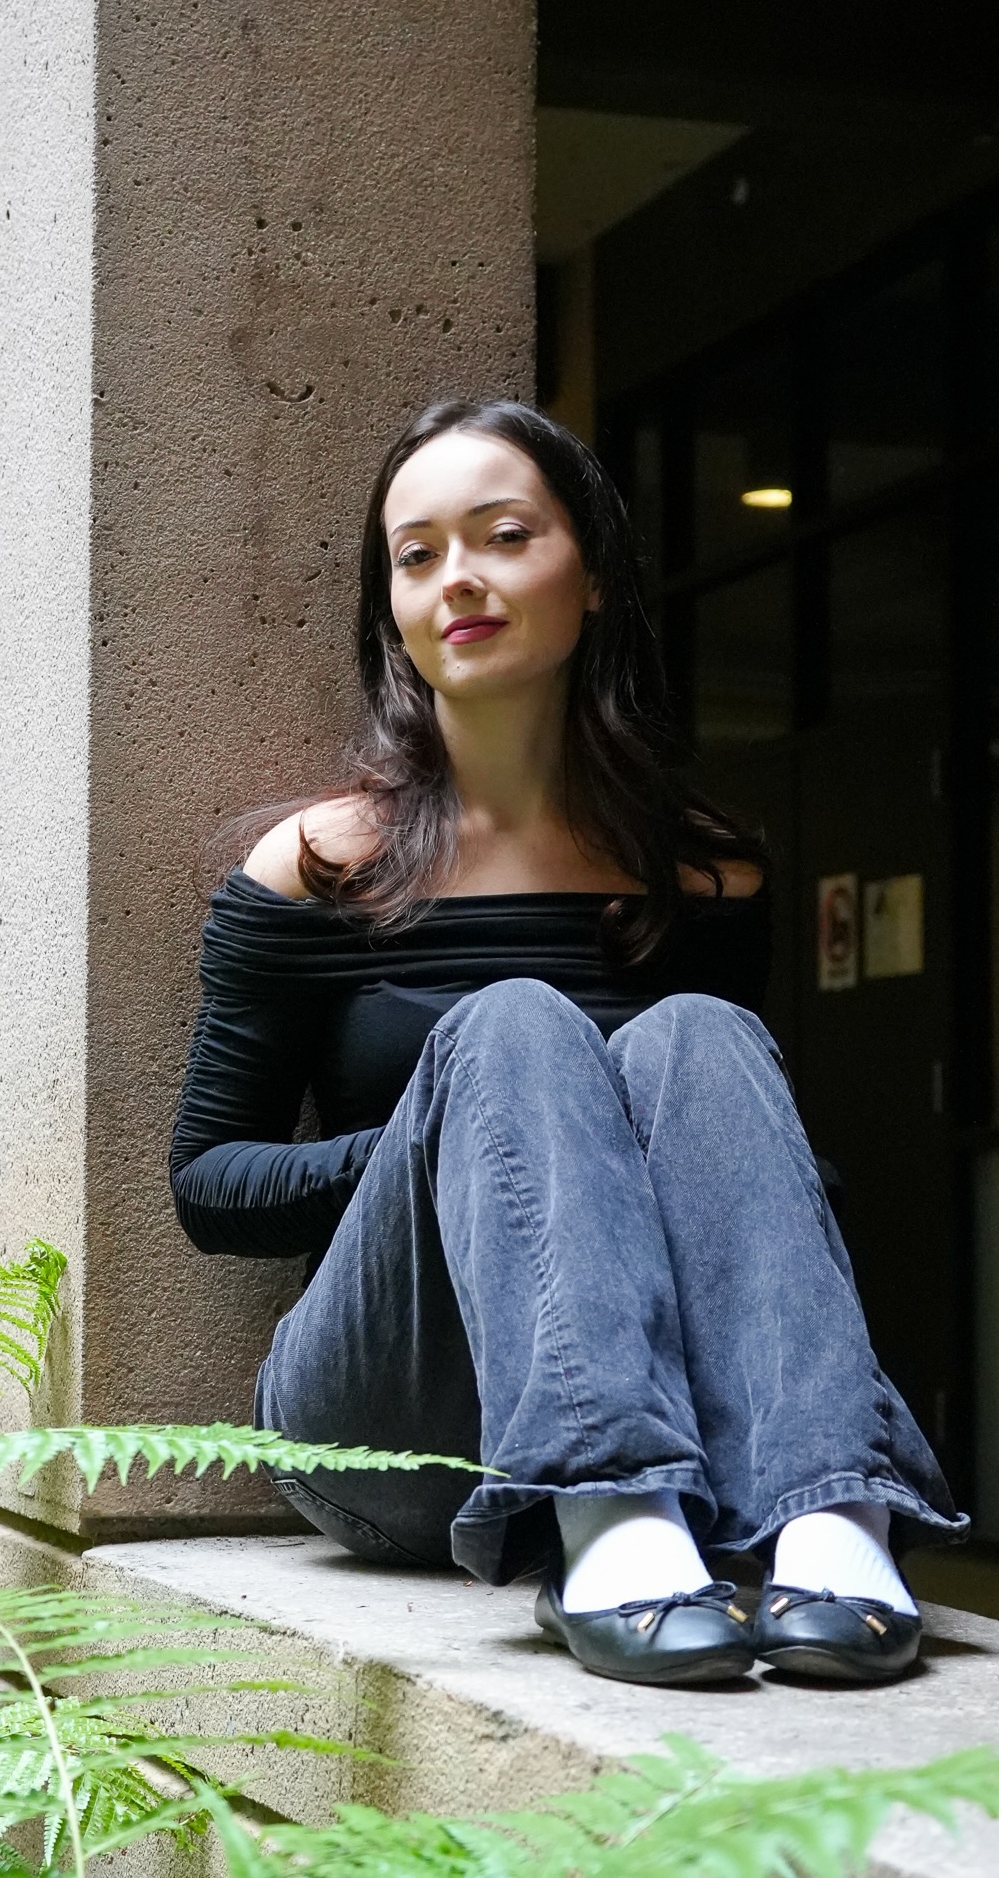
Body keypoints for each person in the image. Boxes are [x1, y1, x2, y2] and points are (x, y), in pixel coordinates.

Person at [169, 398, 964, 1687]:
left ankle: (829, 1517)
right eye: (417, 555)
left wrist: (621, 1155)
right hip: (395, 1429)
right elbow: (210, 1186)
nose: (457, 578)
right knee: (513, 1024)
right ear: (392, 608)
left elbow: (741, 1169)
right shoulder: (321, 865)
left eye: (503, 536)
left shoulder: (702, 874)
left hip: (691, 1425)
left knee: (701, 1032)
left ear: (590, 574)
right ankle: (612, 1522)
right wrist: (455, 1143)